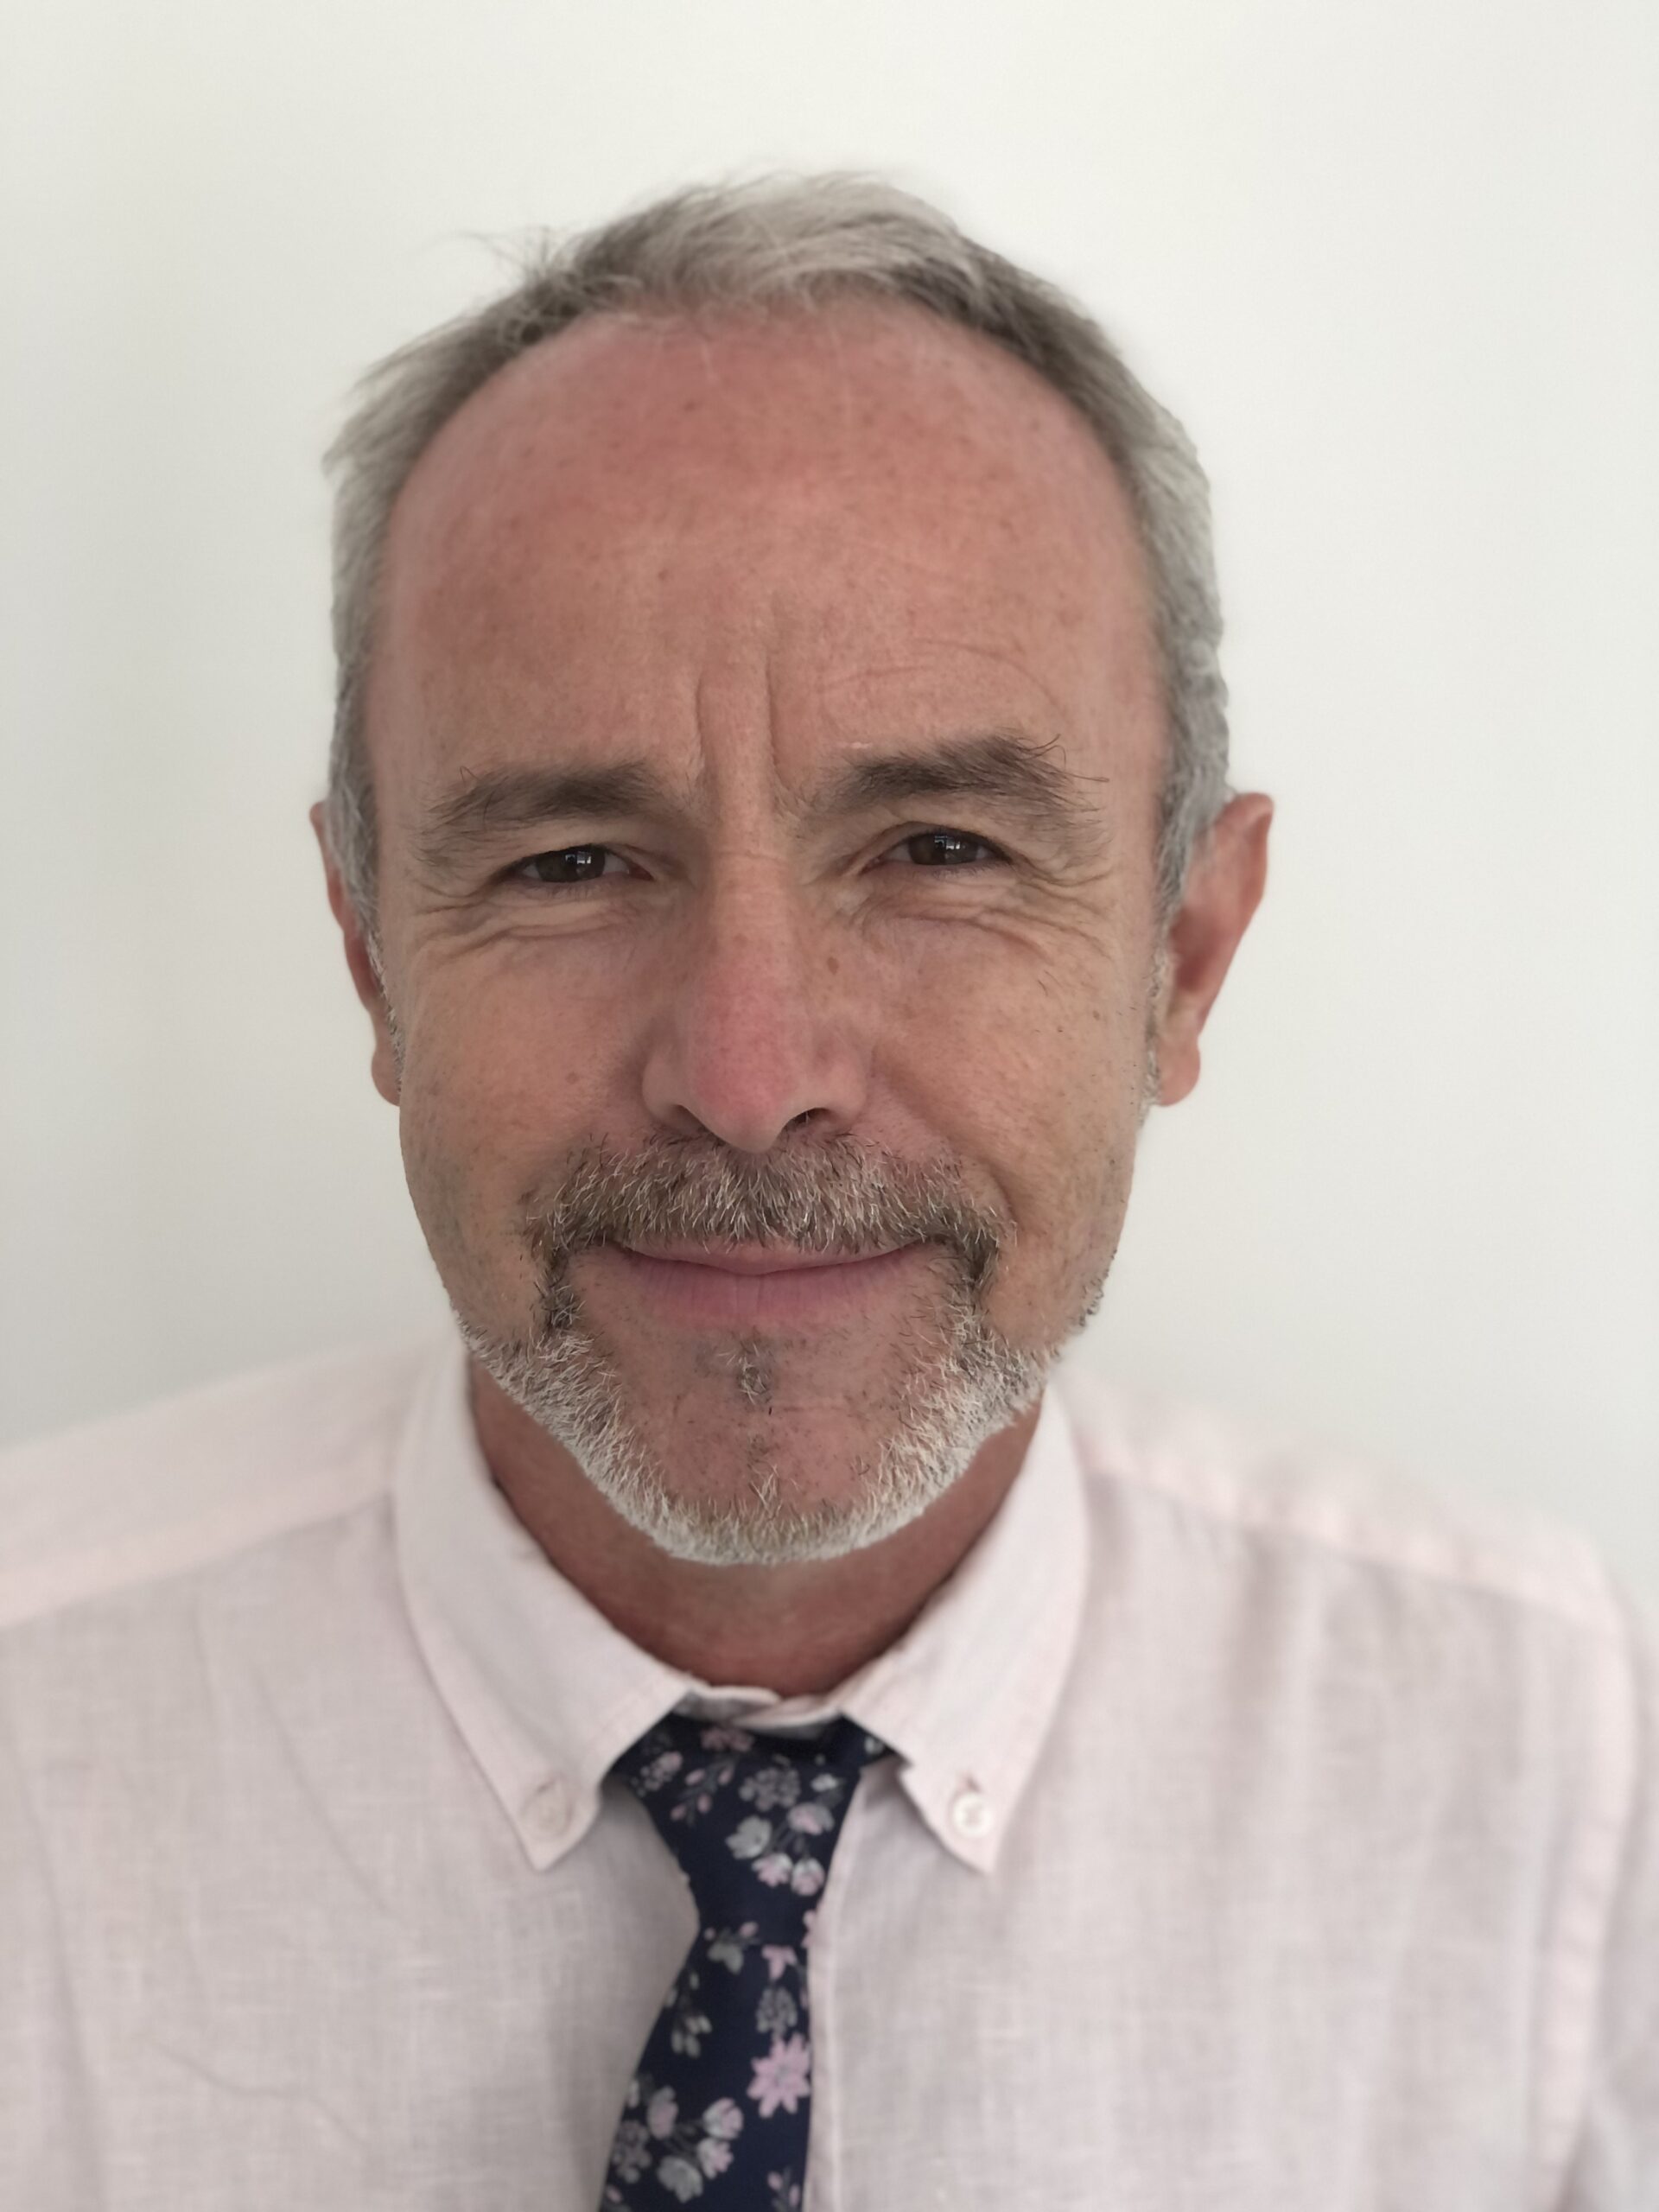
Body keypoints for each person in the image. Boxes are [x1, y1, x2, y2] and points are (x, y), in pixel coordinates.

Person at [2, 174, 1653, 2210]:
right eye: (571, 863)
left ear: (1184, 954)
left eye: (942, 849)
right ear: (373, 960)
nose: (750, 1075)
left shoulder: (1568, 1777)